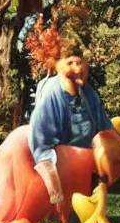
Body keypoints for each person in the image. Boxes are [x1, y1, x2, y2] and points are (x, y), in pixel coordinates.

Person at [29, 48, 114, 210]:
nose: (78, 68)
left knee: (88, 208)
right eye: (70, 63)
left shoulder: (89, 93)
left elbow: (104, 126)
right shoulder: (52, 94)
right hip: (61, 159)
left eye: (80, 63)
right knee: (66, 206)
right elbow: (40, 137)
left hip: (86, 157)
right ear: (58, 66)